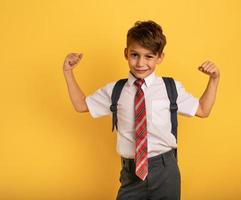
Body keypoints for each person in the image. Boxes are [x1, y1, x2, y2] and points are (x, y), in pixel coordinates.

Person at [63, 20, 220, 200]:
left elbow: (202, 109)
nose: (140, 63)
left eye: (149, 57)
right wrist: (68, 72)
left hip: (165, 171)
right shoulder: (116, 90)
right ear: (126, 53)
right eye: (135, 55)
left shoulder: (171, 88)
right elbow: (81, 104)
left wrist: (214, 79)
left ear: (160, 57)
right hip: (131, 173)